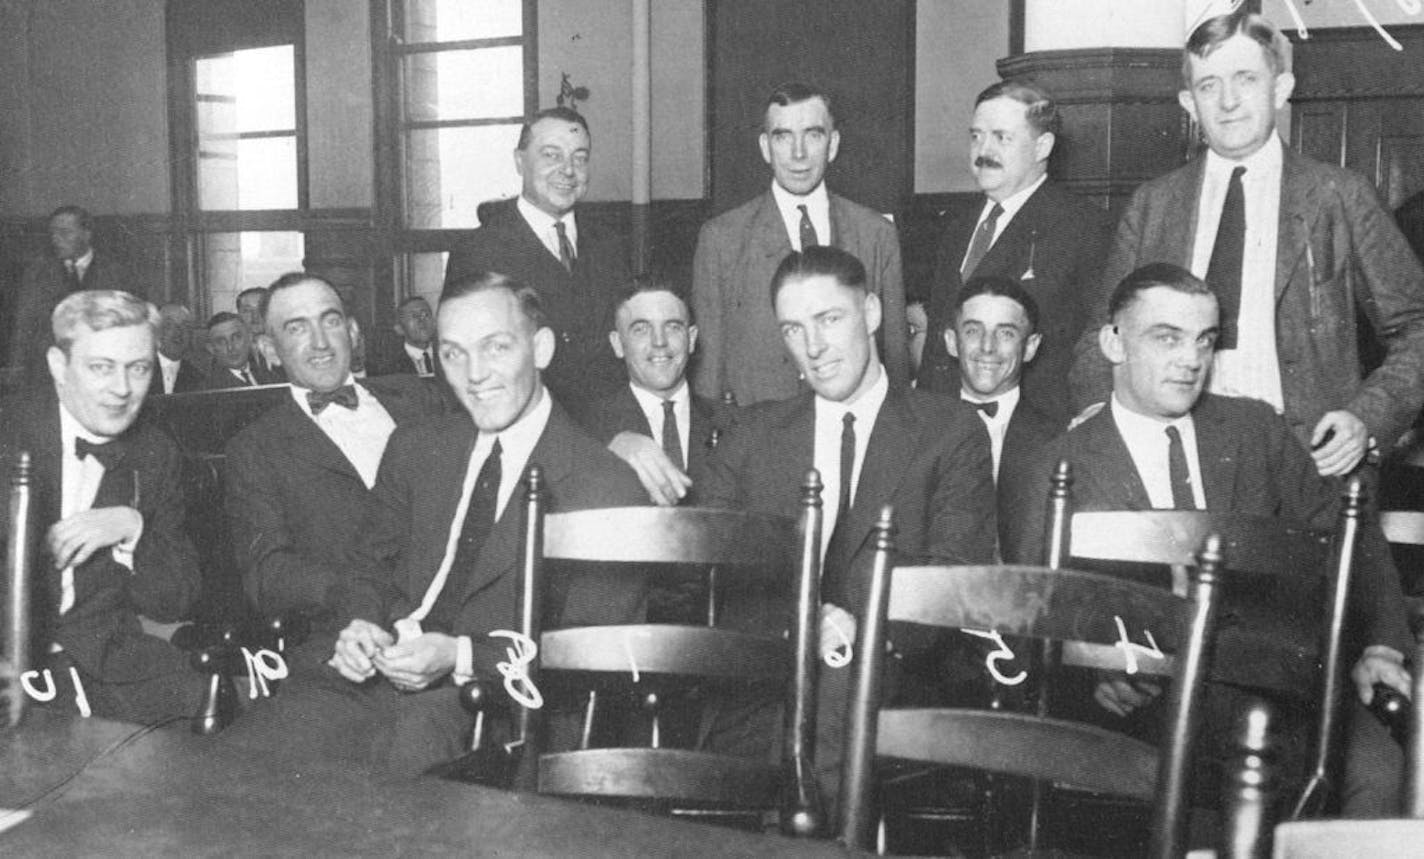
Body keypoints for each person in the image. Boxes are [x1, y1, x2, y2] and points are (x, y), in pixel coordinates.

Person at [1005, 263, 1414, 818]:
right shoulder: (1058, 466)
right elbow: (1034, 613)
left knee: (1379, 773)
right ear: (1113, 342)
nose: (1191, 360)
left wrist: (1382, 645)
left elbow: (1349, 535)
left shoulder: (1255, 431)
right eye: (1167, 338)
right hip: (1141, 713)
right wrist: (1093, 670)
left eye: (1205, 340)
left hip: (1284, 696)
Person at [221, 272, 645, 777]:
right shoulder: (419, 447)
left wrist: (458, 655)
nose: (475, 374)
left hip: (499, 703)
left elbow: (591, 653)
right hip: (379, 675)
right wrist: (361, 625)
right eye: (453, 353)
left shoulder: (608, 485)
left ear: (542, 348)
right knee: (235, 768)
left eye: (496, 347)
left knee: (377, 785)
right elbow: (367, 570)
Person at [700, 245, 996, 810]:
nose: (812, 348)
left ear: (872, 313)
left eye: (829, 320)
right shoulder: (752, 435)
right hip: (770, 675)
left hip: (896, 678)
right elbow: (711, 576)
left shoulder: (949, 431)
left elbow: (954, 579)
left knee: (829, 705)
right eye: (793, 329)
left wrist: (859, 631)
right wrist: (801, 625)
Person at [1069, 10, 1424, 478]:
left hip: (1308, 463)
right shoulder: (1154, 204)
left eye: (1246, 79)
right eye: (1209, 86)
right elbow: (1103, 335)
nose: (1228, 101)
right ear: (1188, 103)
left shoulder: (1339, 195)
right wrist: (1101, 417)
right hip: (1174, 461)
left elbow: (1418, 329)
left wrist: (1368, 419)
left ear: (1280, 89)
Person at [0, 290, 204, 724]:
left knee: (206, 724)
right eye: (101, 368)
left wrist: (134, 528)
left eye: (139, 368)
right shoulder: (8, 434)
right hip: (10, 665)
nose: (122, 390)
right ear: (59, 366)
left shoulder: (156, 453)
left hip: (106, 660)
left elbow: (177, 600)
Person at [223, 273, 447, 664]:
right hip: (346, 640)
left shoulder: (421, 399)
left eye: (330, 321)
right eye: (297, 328)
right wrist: (357, 600)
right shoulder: (255, 448)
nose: (321, 342)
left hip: (454, 622)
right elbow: (268, 573)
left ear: (353, 331)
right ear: (269, 349)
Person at [691, 82, 908, 406]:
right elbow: (710, 376)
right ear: (765, 147)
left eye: (813, 134)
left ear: (832, 145)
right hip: (760, 441)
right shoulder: (722, 239)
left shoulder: (875, 234)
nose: (798, 153)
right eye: (783, 136)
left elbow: (896, 364)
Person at [917, 81, 1111, 424]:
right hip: (945, 427)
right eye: (976, 136)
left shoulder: (1083, 227)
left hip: (1033, 433)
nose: (983, 151)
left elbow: (1096, 336)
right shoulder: (957, 224)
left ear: (1042, 146)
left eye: (1001, 137)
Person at [442, 107, 629, 422]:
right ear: (519, 161)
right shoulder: (479, 250)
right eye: (551, 155)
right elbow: (458, 368)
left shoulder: (609, 245)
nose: (568, 171)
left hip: (608, 433)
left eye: (580, 158)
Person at [582, 278, 734, 507]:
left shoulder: (733, 424)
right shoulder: (588, 431)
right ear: (617, 344)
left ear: (691, 339)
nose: (659, 342)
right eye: (641, 329)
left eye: (673, 327)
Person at [946, 276, 1059, 487]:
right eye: (973, 331)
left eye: (1005, 333)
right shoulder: (917, 433)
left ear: (1030, 347)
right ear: (952, 342)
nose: (987, 346)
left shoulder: (1057, 442)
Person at [7, 206, 134, 387]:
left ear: (86, 234)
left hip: (101, 371)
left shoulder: (116, 273)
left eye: (65, 233)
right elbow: (23, 324)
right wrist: (17, 368)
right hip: (49, 374)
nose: (56, 239)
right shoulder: (37, 273)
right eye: (53, 233)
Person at [203, 312, 282, 389]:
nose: (230, 347)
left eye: (236, 337)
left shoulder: (269, 376)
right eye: (221, 342)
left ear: (250, 338)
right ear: (211, 349)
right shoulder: (209, 390)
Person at [370, 296, 437, 377]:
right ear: (399, 328)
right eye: (414, 316)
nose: (421, 320)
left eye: (425, 314)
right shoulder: (389, 368)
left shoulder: (448, 356)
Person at [154, 303, 205, 395]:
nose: (178, 331)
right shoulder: (140, 369)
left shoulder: (197, 376)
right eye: (169, 325)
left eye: (185, 326)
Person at [237, 286, 285, 383]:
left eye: (261, 309)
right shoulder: (233, 349)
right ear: (239, 315)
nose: (255, 316)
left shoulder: (289, 345)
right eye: (247, 311)